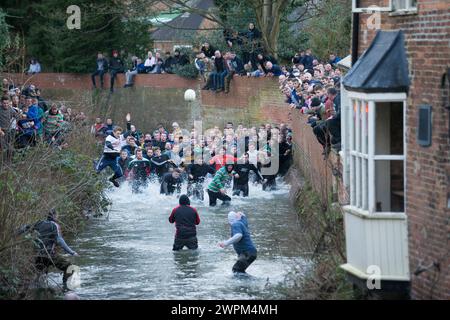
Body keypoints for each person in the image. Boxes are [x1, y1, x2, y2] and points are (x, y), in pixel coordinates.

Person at [19, 209, 78, 289]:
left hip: (38, 255)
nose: (58, 217)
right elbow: (59, 240)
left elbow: (25, 227)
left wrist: (16, 233)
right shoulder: (55, 225)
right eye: (57, 215)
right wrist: (72, 252)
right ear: (54, 216)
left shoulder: (39, 222)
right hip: (49, 255)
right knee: (70, 267)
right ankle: (65, 288)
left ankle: (34, 291)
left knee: (39, 277)